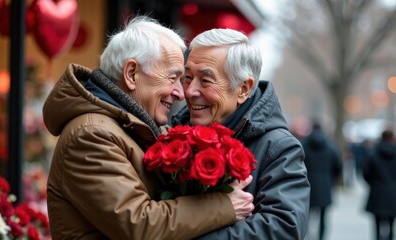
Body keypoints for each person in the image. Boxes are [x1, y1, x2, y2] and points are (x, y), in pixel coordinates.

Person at [42, 16, 254, 240]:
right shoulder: (90, 135)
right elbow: (140, 226)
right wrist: (223, 206)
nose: (181, 93)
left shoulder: (131, 127)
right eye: (173, 78)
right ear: (131, 73)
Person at [171, 28, 310, 239]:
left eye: (206, 80)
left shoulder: (279, 147)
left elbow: (283, 229)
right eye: (188, 77)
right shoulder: (173, 134)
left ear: (244, 88)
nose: (189, 91)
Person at [301, 121, 342, 240]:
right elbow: (338, 166)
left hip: (307, 184)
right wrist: (331, 180)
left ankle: (307, 236)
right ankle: (321, 237)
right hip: (325, 184)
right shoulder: (330, 146)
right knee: (324, 216)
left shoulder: (303, 146)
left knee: (306, 215)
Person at [362, 129, 396, 240]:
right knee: (391, 224)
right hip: (393, 194)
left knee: (376, 224)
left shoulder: (373, 154)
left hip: (377, 193)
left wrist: (373, 183)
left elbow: (366, 172)